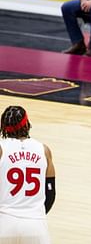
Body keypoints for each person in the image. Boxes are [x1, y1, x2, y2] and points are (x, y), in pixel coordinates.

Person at [0, 105, 56, 244]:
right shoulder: (44, 150)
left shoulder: (1, 149)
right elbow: (50, 194)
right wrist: (35, 214)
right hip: (36, 227)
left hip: (5, 222)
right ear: (27, 123)